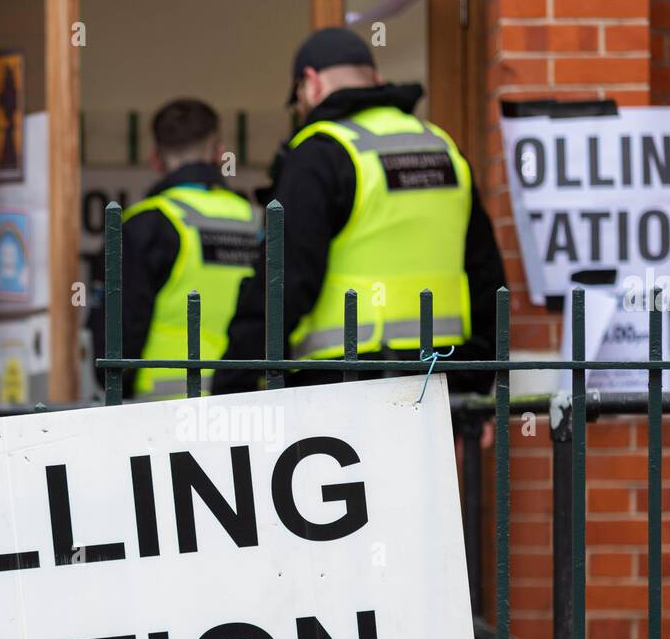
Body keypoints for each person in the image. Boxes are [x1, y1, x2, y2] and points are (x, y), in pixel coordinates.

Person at [211, 27, 505, 397]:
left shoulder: (321, 153)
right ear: (376, 79)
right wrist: (476, 384)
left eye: (297, 99)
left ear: (311, 84)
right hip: (439, 384)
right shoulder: (444, 148)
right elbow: (487, 277)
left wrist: (233, 384)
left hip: (343, 389)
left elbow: (284, 282)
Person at [89, 98, 259, 399]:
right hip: (252, 403)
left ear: (155, 159)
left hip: (163, 413)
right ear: (220, 154)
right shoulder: (259, 221)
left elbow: (117, 337)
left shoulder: (143, 225)